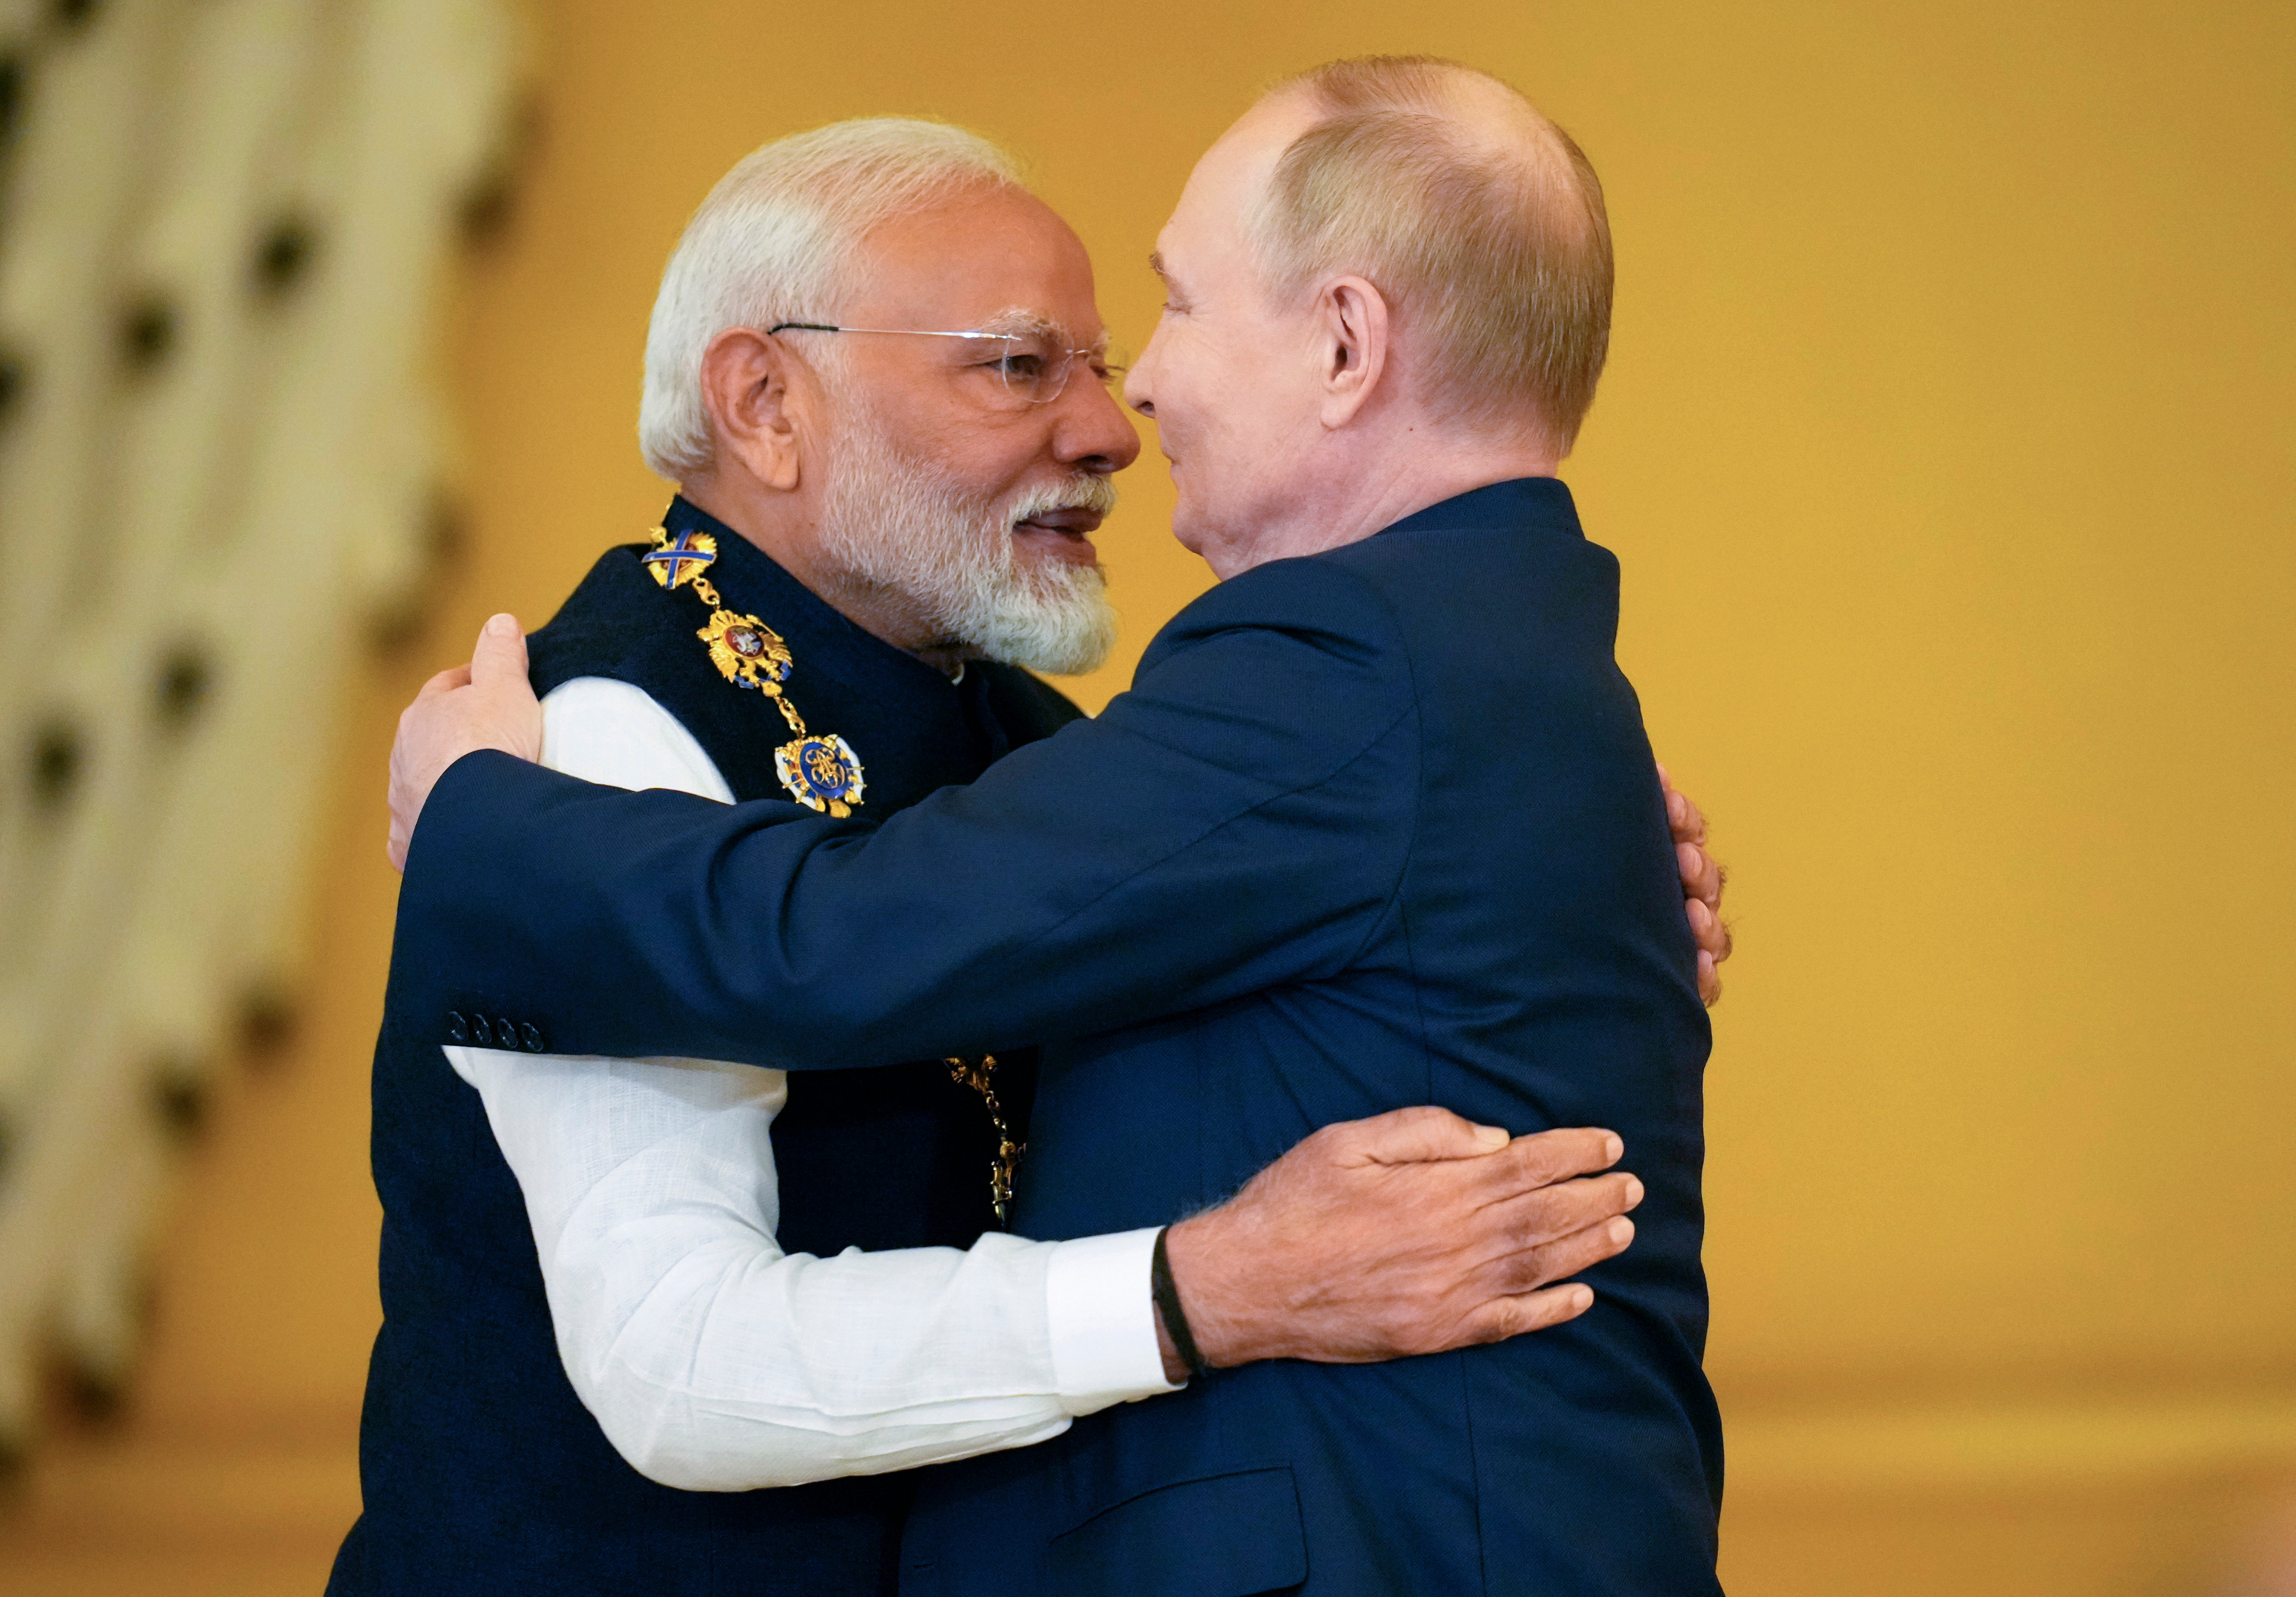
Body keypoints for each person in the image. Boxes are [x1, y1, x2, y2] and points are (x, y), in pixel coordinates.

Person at [335, 111, 1728, 1595]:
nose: (1111, 424)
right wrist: (1206, 1291)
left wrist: (1544, 887)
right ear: (764, 403)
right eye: (1017, 365)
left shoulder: (1054, 733)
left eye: (1128, 342)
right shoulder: (596, 738)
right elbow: (683, 1364)